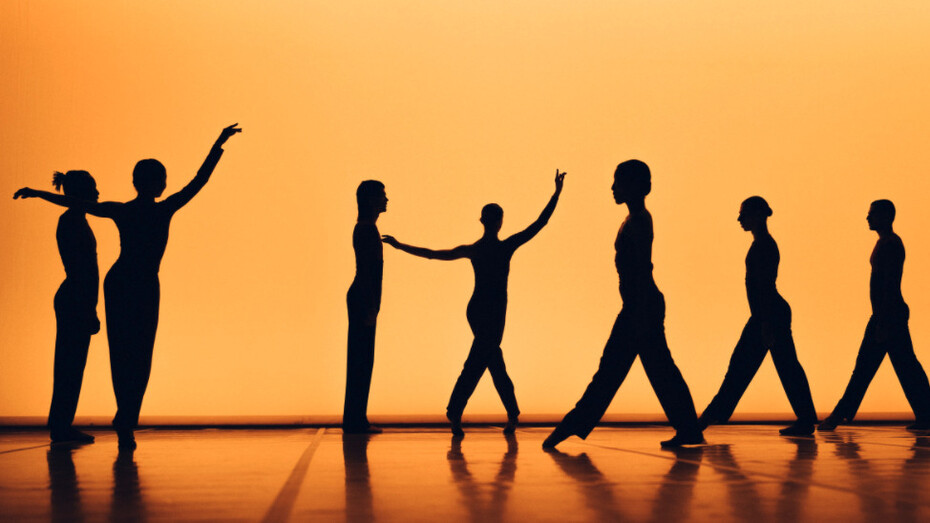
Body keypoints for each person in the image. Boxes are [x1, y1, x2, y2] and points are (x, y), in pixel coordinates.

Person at [14, 123, 241, 449]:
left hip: (121, 283)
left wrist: (39, 193)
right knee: (138, 353)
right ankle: (125, 414)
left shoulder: (124, 211)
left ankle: (125, 414)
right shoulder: (163, 209)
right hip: (139, 285)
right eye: (160, 179)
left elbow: (78, 204)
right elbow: (199, 181)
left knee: (122, 352)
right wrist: (218, 145)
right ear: (155, 184)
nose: (163, 184)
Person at [383, 170, 565, 435]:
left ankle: (484, 413)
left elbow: (434, 255)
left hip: (480, 310)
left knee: (491, 360)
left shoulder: (477, 249)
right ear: (499, 222)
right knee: (483, 361)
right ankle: (468, 412)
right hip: (490, 312)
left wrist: (401, 246)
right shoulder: (504, 247)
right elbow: (540, 223)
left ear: (483, 221)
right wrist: (556, 193)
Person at [543, 160, 703, 449]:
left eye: (618, 182)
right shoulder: (635, 219)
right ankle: (689, 429)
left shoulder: (640, 220)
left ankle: (570, 425)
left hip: (640, 307)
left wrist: (636, 311)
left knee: (615, 372)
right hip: (640, 305)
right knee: (657, 370)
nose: (613, 188)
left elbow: (639, 269)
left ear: (635, 186)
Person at [699, 196, 818, 436]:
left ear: (757, 216)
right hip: (768, 313)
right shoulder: (762, 244)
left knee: (744, 368)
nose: (739, 219)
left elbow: (762, 286)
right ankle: (805, 418)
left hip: (768, 315)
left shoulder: (764, 245)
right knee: (779, 366)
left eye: (744, 214)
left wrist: (764, 324)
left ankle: (710, 417)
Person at [818, 200, 930, 431]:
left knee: (867, 368)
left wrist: (882, 320)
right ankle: (926, 414)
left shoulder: (889, 244)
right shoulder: (887, 242)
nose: (867, 218)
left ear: (885, 216)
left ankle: (839, 415)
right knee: (905, 367)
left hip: (887, 315)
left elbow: (887, 285)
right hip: (889, 314)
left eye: (871, 215)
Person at [15, 171, 101, 443]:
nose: (98, 193)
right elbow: (83, 270)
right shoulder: (71, 220)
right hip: (75, 298)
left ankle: (62, 423)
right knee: (69, 365)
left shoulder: (76, 219)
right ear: (80, 193)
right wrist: (89, 309)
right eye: (93, 188)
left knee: (71, 364)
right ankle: (61, 426)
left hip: (77, 298)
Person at [344, 180, 388, 434]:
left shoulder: (366, 228)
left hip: (363, 297)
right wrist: (372, 306)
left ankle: (356, 417)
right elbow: (370, 272)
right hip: (363, 298)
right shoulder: (366, 230)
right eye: (382, 195)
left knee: (361, 360)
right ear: (370, 199)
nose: (386, 199)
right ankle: (355, 419)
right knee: (361, 361)